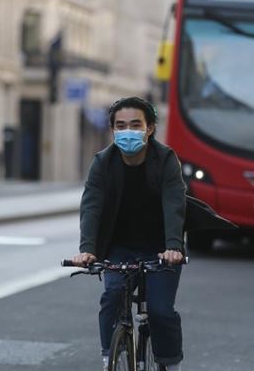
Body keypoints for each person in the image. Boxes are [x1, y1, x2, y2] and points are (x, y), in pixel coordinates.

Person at [69, 96, 186, 371]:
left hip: (161, 248)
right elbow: (92, 206)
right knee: (111, 297)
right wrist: (88, 250)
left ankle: (171, 364)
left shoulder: (166, 160)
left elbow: (174, 203)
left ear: (149, 128)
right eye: (120, 126)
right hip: (119, 247)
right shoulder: (103, 162)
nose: (127, 131)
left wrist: (173, 247)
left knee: (160, 310)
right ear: (112, 130)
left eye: (135, 125)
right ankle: (110, 357)